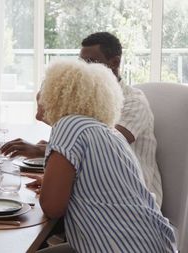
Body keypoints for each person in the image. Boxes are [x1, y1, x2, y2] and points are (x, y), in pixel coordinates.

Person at [1, 32, 163, 207]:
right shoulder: (91, 100)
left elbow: (102, 147)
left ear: (114, 62)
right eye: (81, 62)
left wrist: (44, 146)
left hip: (136, 197)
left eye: (91, 62)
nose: (84, 69)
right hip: (99, 188)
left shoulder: (134, 102)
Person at [34, 59, 176, 253]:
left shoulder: (68, 125)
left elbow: (52, 207)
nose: (38, 98)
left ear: (57, 95)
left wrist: (49, 188)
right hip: (150, 243)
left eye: (43, 93)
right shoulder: (109, 133)